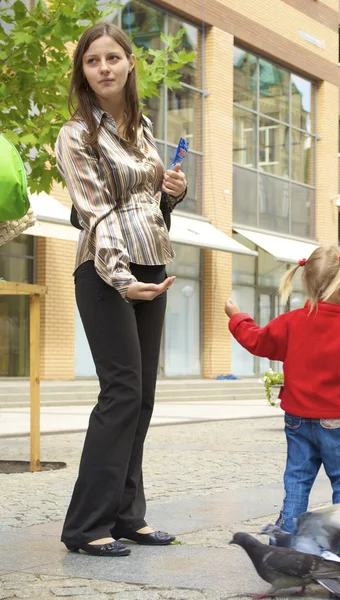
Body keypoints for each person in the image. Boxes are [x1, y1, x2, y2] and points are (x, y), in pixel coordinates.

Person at [55, 23, 187, 557]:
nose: (104, 67)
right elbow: (96, 214)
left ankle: (128, 516)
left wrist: (171, 195)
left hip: (152, 263)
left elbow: (146, 212)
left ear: (130, 63)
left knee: (143, 397)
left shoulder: (145, 128)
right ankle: (87, 526)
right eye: (93, 61)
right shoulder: (77, 134)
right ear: (84, 72)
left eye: (113, 57)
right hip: (107, 271)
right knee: (122, 392)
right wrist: (124, 279)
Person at [225, 245, 340, 560]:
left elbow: (258, 341)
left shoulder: (290, 323)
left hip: (297, 419)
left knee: (297, 477)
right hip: (336, 421)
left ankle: (285, 536)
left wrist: (238, 318)